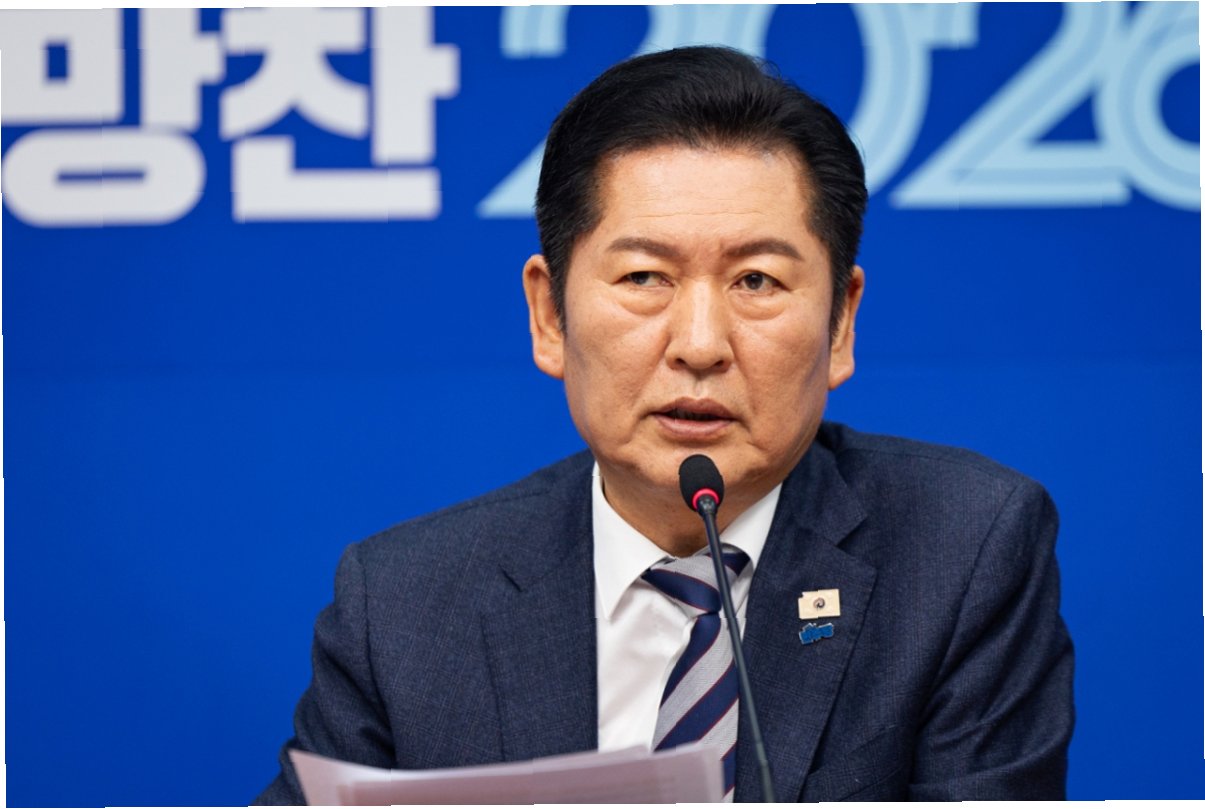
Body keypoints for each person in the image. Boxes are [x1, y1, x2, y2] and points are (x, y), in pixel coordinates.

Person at [255, 46, 1073, 803]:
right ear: (548, 315)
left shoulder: (960, 551)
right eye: (645, 276)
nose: (700, 344)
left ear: (840, 324)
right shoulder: (403, 604)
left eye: (756, 280)